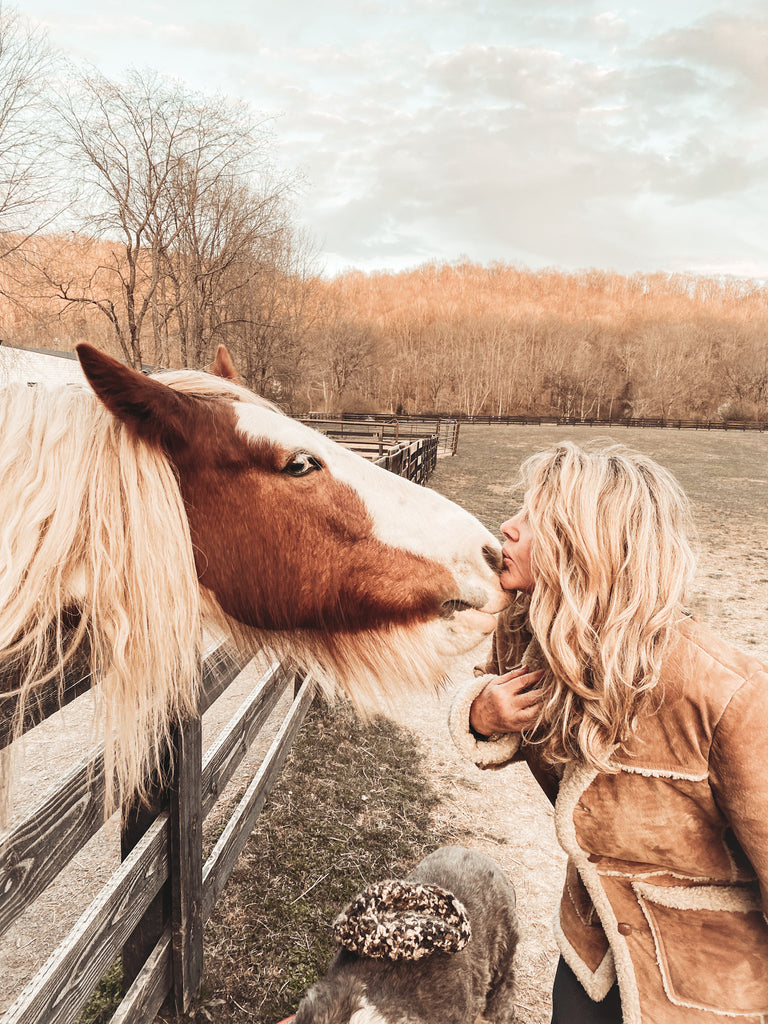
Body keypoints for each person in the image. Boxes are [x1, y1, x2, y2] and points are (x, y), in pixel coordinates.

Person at [448, 440, 768, 1024]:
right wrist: (481, 713)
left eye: (532, 518)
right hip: (591, 956)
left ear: (586, 544)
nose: (507, 528)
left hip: (709, 986)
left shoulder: (729, 694)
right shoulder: (529, 634)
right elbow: (486, 699)